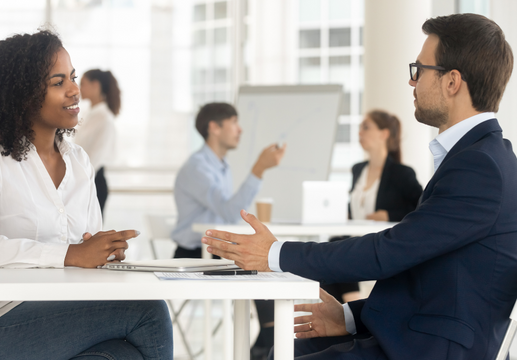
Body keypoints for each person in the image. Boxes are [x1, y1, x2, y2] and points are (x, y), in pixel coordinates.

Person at [202, 13, 517, 359]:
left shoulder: (481, 165)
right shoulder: (478, 156)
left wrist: (274, 254)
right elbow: (429, 272)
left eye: (419, 69)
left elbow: (391, 251)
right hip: (417, 334)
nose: (413, 82)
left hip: (428, 348)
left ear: (452, 81)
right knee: (282, 348)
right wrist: (349, 317)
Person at [0, 30, 172, 360]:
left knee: (122, 356)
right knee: (149, 310)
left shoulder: (78, 160)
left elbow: (86, 244)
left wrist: (102, 252)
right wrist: (70, 254)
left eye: (73, 77)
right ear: (23, 94)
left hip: (64, 319)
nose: (74, 90)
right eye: (58, 82)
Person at [171, 102, 286, 359]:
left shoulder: (221, 166)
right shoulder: (197, 167)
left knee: (264, 261)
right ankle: (267, 343)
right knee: (259, 264)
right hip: (193, 253)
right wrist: (258, 169)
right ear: (214, 127)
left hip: (214, 250)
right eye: (234, 122)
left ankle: (265, 343)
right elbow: (230, 212)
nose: (240, 129)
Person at [324, 110, 423, 304]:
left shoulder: (402, 174)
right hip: (355, 242)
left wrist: (388, 215)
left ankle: (350, 311)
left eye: (366, 127)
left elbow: (423, 208)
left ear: (384, 134)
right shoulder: (357, 169)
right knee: (332, 248)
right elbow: (355, 208)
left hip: (380, 246)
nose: (359, 132)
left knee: (340, 253)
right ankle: (348, 309)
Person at [75, 69, 119, 215]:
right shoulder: (89, 114)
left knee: (91, 234)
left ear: (95, 85)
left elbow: (95, 157)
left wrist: (75, 181)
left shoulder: (104, 117)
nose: (78, 89)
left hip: (92, 181)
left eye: (83, 84)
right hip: (82, 179)